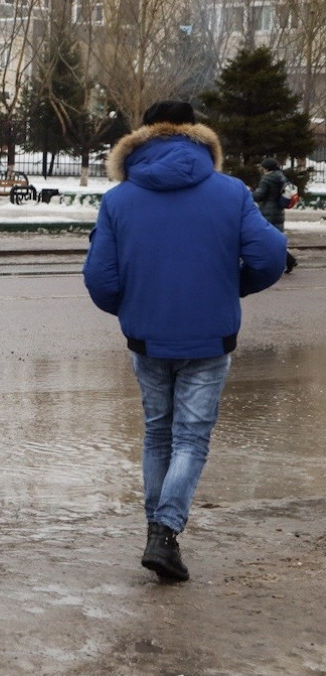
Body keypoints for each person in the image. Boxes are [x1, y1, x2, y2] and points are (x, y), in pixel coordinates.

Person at [83, 100, 286, 582]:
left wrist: (133, 309)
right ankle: (164, 533)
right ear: (197, 134)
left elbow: (99, 277)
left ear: (143, 136)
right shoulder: (231, 192)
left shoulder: (119, 198)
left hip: (147, 337)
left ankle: (159, 531)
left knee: (158, 431)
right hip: (210, 335)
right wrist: (231, 287)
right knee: (191, 437)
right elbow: (271, 253)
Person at [253, 156, 298, 274]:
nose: (262, 170)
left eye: (263, 168)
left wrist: (248, 194)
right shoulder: (281, 176)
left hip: (268, 213)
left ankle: (285, 261)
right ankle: (288, 260)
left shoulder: (267, 179)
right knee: (275, 239)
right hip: (278, 212)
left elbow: (260, 195)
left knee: (266, 239)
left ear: (267, 168)